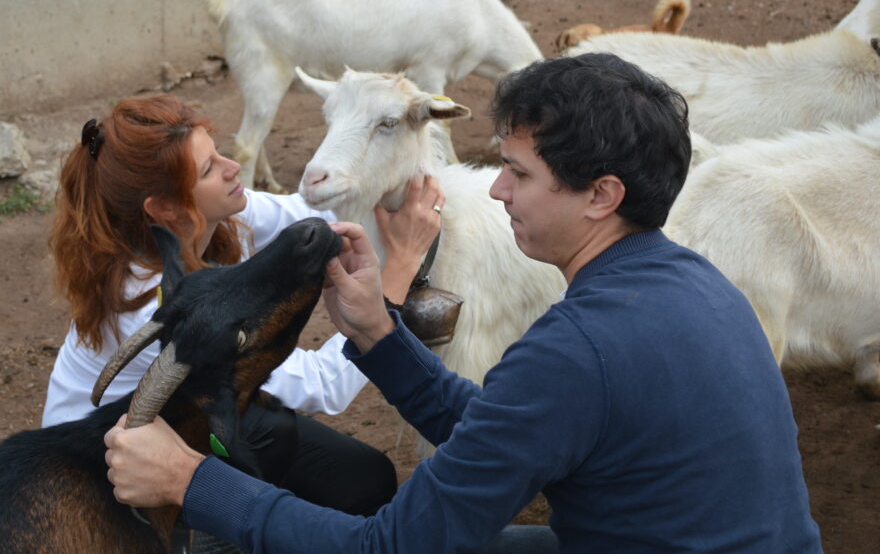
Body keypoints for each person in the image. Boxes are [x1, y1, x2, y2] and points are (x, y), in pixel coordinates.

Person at [102, 55, 823, 554]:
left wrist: (189, 478)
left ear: (602, 195)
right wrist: (379, 334)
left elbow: (389, 544)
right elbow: (505, 426)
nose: (499, 190)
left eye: (517, 173)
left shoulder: (576, 347)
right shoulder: (694, 283)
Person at [45, 93, 445, 516]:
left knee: (363, 478)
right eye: (209, 169)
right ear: (164, 207)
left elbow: (312, 215)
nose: (233, 167)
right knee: (299, 480)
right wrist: (398, 268)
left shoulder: (215, 214)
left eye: (217, 153)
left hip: (187, 417)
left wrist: (390, 184)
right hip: (105, 479)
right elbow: (323, 387)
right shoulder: (148, 308)